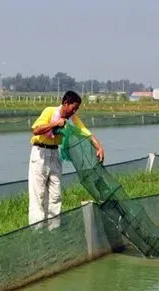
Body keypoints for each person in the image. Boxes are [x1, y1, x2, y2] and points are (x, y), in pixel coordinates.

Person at [28, 90, 104, 228]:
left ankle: (54, 228)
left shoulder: (72, 120)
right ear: (65, 103)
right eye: (73, 107)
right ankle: (37, 230)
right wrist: (55, 124)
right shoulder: (50, 112)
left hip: (54, 154)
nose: (74, 111)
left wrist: (99, 148)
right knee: (38, 194)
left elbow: (86, 133)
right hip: (40, 153)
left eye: (77, 109)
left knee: (55, 195)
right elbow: (36, 130)